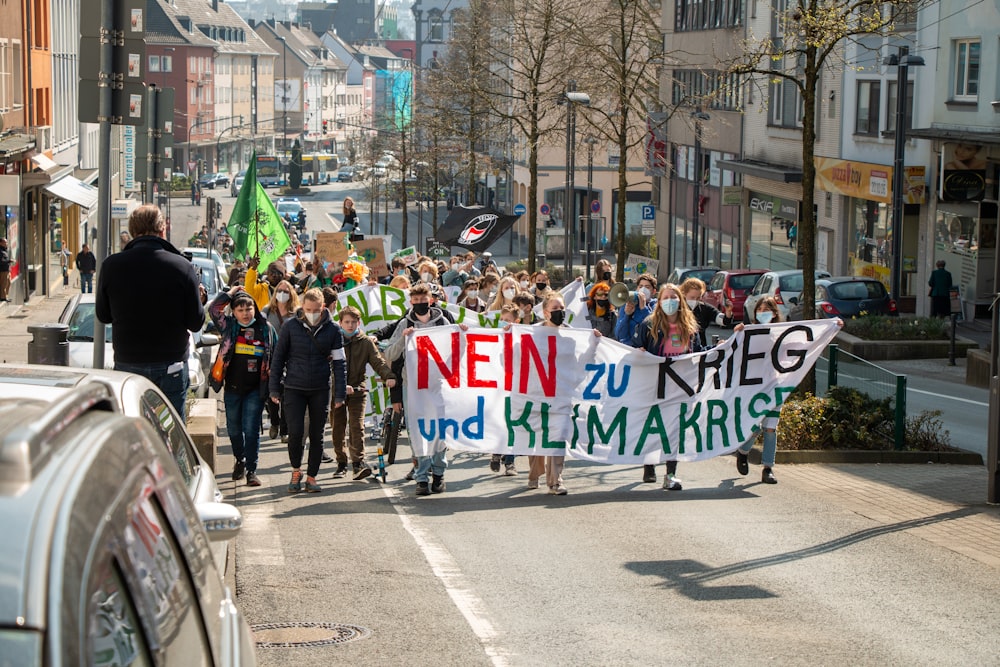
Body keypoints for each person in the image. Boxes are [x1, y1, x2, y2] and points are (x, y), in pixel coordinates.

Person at [95, 204, 205, 419]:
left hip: (128, 363)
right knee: (171, 432)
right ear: (162, 230)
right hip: (171, 364)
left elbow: (103, 315)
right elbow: (195, 323)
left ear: (133, 231)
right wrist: (200, 300)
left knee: (135, 428)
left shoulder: (111, 265)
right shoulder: (182, 266)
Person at [269, 288, 347, 494]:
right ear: (302, 307)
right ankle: (296, 470)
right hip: (294, 386)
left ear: (323, 307)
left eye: (316, 309)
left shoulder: (333, 329)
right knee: (295, 433)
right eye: (308, 308)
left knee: (317, 434)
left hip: (320, 388)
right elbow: (278, 359)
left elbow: (340, 363)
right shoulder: (290, 327)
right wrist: (274, 388)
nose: (312, 312)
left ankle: (312, 477)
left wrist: (340, 393)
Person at [384, 283, 460, 496]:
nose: (420, 304)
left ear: (431, 300)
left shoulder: (442, 321)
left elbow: (456, 350)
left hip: (438, 386)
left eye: (423, 300)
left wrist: (462, 333)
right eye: (415, 301)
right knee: (419, 431)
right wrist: (403, 338)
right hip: (414, 387)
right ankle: (421, 477)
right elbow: (389, 355)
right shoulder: (405, 323)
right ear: (411, 302)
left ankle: (438, 473)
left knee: (439, 429)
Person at [631, 283, 704, 488]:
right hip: (654, 385)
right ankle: (649, 464)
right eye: (666, 297)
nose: (670, 301)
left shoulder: (690, 327)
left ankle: (670, 474)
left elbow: (699, 351)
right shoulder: (648, 324)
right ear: (659, 301)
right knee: (653, 426)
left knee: (675, 430)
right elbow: (635, 349)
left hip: (679, 387)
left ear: (680, 301)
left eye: (674, 297)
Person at [208, 286, 277, 487]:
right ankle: (240, 459)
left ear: (254, 309)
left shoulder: (266, 329)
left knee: (251, 429)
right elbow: (214, 310)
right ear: (234, 312)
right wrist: (229, 294)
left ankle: (251, 471)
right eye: (240, 310)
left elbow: (278, 354)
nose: (245, 314)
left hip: (256, 389)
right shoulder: (229, 327)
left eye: (248, 309)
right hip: (232, 388)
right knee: (234, 429)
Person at [331, 306, 397, 479]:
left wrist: (389, 376)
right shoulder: (333, 340)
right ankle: (341, 462)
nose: (350, 325)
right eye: (347, 322)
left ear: (359, 322)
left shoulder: (366, 342)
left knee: (356, 426)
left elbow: (378, 362)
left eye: (354, 322)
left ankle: (358, 463)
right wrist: (340, 385)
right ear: (340, 323)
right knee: (338, 427)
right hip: (337, 389)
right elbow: (327, 366)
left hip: (358, 388)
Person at [528, 293, 574, 494]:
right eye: (555, 309)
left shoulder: (572, 335)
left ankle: (555, 480)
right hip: (536, 392)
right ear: (546, 312)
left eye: (562, 308)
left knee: (557, 435)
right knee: (538, 435)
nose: (560, 312)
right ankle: (534, 472)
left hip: (560, 393)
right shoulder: (531, 333)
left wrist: (595, 340)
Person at [262, 280, 300, 442]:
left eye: (286, 291)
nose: (283, 294)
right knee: (272, 394)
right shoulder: (267, 311)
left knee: (286, 395)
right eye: (280, 290)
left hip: (290, 359)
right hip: (271, 357)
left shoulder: (296, 313)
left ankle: (285, 430)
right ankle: (274, 422)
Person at [680, 277, 733, 347]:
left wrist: (728, 312)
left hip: (700, 350)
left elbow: (723, 320)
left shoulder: (704, 308)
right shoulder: (677, 308)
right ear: (684, 294)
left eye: (698, 298)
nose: (695, 300)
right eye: (692, 297)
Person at [615, 273, 657, 344]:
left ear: (653, 291)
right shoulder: (628, 304)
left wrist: (644, 309)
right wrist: (627, 315)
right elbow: (619, 335)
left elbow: (654, 328)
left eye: (647, 287)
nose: (643, 289)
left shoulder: (656, 305)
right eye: (640, 286)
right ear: (637, 289)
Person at [0, 237, 10, 302]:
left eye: (6, 242)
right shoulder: (0, 251)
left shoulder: (4, 250)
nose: (6, 243)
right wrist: (9, 261)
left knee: (8, 283)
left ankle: (5, 296)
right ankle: (3, 298)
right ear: (0, 243)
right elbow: (1, 261)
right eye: (5, 242)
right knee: (3, 284)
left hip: (7, 269)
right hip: (3, 270)